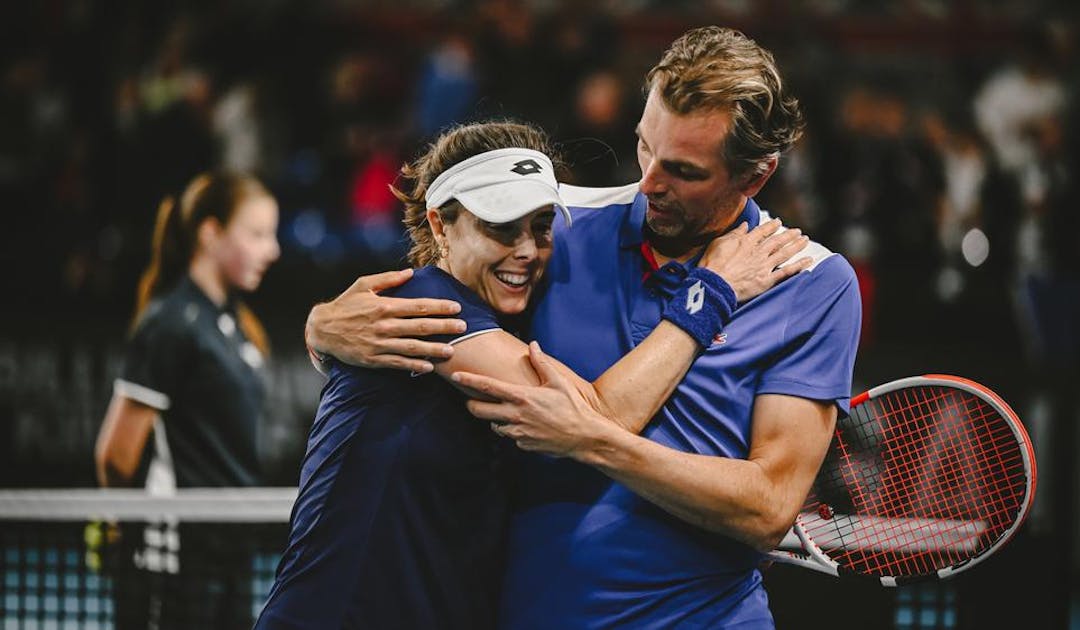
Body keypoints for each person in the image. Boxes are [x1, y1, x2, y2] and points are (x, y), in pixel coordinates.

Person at [307, 27, 861, 627]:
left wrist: (594, 441)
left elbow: (768, 508)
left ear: (754, 176)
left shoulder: (811, 282)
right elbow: (439, 288)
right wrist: (320, 330)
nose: (648, 184)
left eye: (683, 170)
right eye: (645, 147)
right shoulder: (552, 228)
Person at [94, 171, 281, 629]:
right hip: (173, 557)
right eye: (256, 234)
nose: (272, 249)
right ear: (210, 234)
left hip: (230, 553)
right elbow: (116, 456)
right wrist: (127, 527)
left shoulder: (234, 324)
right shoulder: (170, 325)